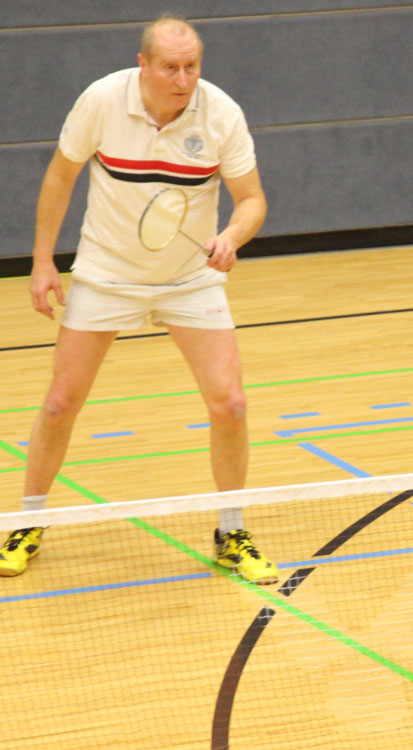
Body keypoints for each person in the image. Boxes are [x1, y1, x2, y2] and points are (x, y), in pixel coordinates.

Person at [0, 14, 278, 585]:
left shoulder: (221, 113)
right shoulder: (102, 101)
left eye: (192, 66)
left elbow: (251, 198)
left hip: (189, 279)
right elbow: (60, 176)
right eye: (170, 67)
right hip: (106, 274)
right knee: (59, 404)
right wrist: (43, 260)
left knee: (231, 404)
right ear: (143, 65)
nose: (183, 79)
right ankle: (27, 522)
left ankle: (231, 532)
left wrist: (232, 236)